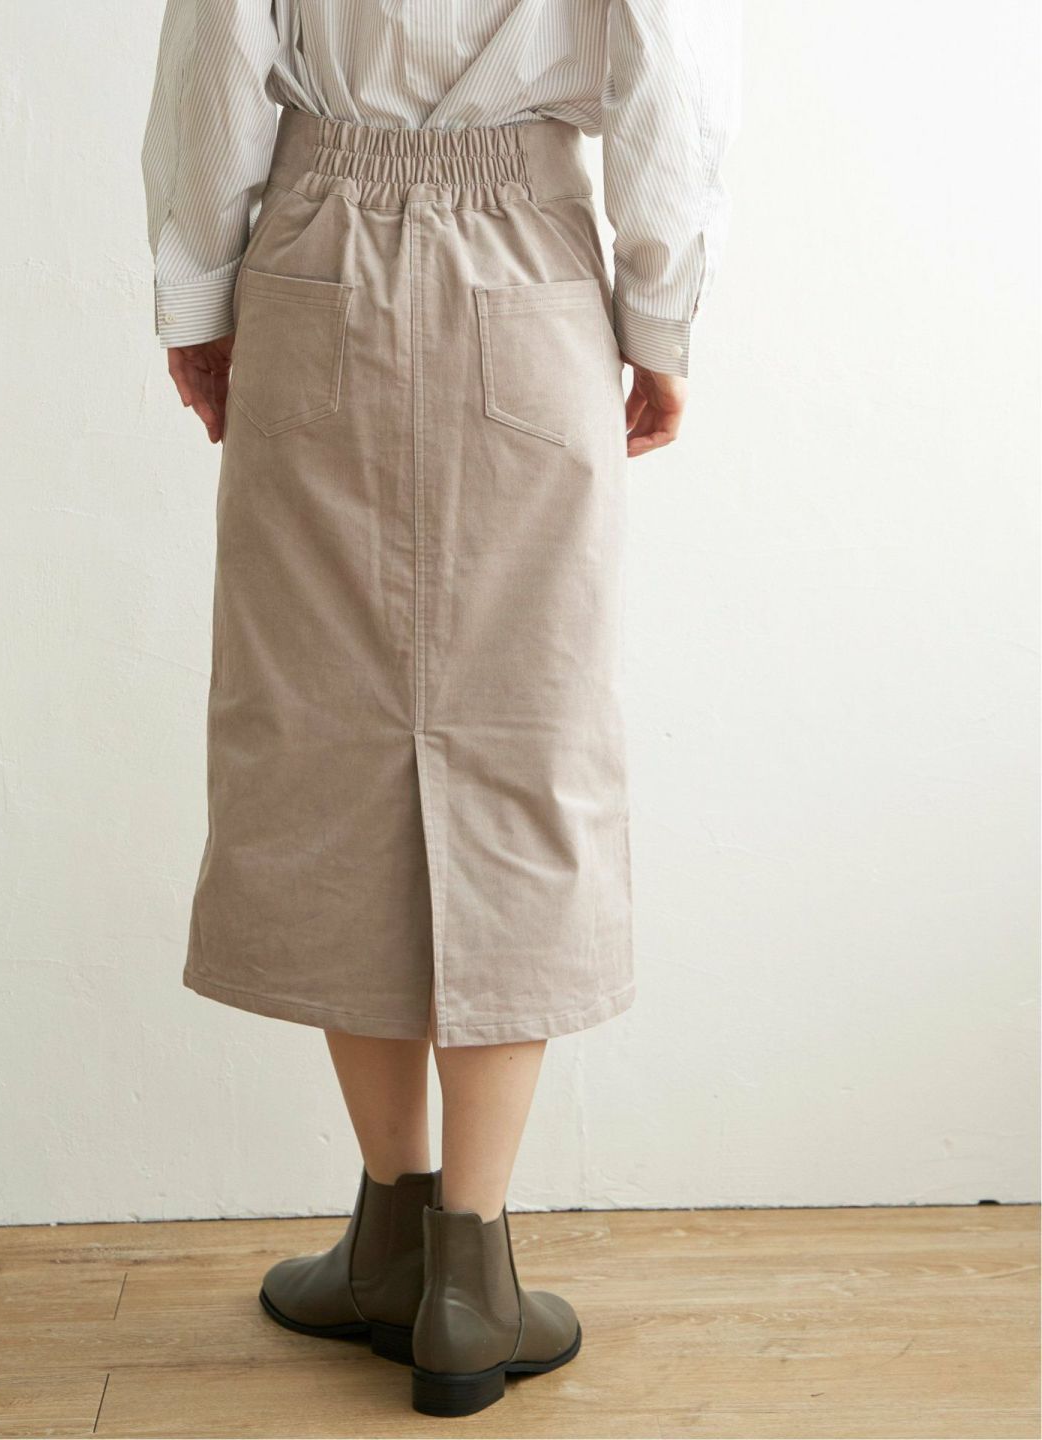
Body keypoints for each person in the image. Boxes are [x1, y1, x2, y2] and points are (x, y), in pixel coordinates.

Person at [141, 0, 739, 1417]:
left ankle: (396, 1229)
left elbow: (216, 62)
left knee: (325, 742)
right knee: (524, 747)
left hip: (315, 258)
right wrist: (661, 318)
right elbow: (669, 77)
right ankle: (461, 1269)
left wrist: (198, 299)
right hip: (530, 265)